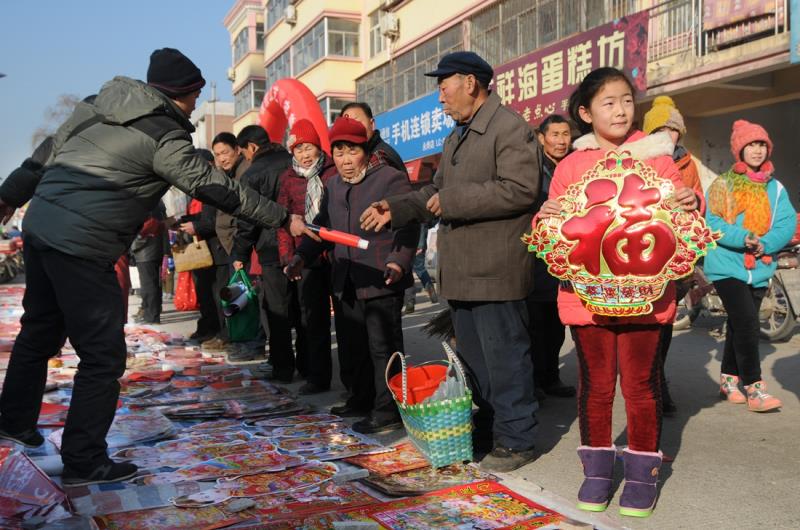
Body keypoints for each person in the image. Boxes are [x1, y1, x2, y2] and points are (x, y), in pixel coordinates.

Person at [0, 48, 309, 486]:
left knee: (39, 331)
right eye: (196, 96)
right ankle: (84, 460)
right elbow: (214, 185)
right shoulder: (164, 134)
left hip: (42, 228)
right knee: (103, 355)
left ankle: (14, 423)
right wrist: (282, 216)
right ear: (181, 94)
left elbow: (43, 156)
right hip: (84, 244)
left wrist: (8, 194)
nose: (198, 105)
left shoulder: (93, 107)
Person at [360, 51, 541, 472]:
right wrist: (396, 208)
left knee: (506, 360)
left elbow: (520, 189)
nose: (439, 96)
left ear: (471, 84)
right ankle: (484, 430)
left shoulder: (508, 127)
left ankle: (517, 439)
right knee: (473, 364)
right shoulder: (457, 136)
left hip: (496, 270)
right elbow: (434, 195)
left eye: (444, 86)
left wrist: (454, 201)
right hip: (461, 273)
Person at [538, 67, 701, 517]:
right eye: (608, 102)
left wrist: (689, 202)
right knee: (594, 386)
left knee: (641, 387)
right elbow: (550, 231)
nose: (621, 109)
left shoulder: (658, 159)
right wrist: (547, 215)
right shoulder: (571, 166)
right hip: (587, 298)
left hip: (647, 297)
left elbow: (685, 219)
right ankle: (595, 470)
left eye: (627, 99)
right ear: (586, 113)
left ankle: (641, 474)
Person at [286, 117, 417, 434]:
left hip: (380, 276)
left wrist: (399, 260)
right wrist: (301, 257)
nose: (345, 160)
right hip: (344, 278)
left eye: (352, 151)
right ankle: (360, 398)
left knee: (383, 348)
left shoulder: (389, 179)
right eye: (339, 152)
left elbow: (409, 223)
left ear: (365, 149)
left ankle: (389, 409)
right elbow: (319, 226)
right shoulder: (333, 185)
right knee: (352, 345)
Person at [706, 120, 796, 412]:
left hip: (760, 265)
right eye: (751, 145)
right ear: (739, 150)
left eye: (761, 145)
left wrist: (765, 244)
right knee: (746, 321)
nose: (756, 151)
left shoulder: (777, 188)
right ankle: (754, 387)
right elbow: (713, 222)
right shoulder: (723, 184)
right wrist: (744, 238)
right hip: (726, 263)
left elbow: (785, 223)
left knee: (738, 323)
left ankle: (729, 379)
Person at [642, 95, 705, 416]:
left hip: (675, 257)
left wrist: (692, 202)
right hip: (644, 254)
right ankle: (645, 381)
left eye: (674, 128)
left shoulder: (688, 163)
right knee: (645, 323)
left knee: (664, 321)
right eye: (662, 128)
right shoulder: (639, 159)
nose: (669, 134)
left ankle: (657, 381)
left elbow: (698, 207)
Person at [276, 119, 338, 394]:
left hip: (335, 253)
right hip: (305, 255)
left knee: (347, 320)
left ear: (318, 147)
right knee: (313, 320)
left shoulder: (332, 171)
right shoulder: (287, 178)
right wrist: (289, 257)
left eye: (308, 146)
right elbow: (283, 221)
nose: (304, 153)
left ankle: (352, 380)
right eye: (298, 148)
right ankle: (317, 376)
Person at [180, 132, 251, 352]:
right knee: (215, 296)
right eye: (218, 154)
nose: (222, 158)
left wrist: (197, 226)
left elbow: (215, 219)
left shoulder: (230, 178)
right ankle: (221, 332)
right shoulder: (209, 183)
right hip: (219, 246)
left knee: (229, 296)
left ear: (237, 150)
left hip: (226, 246)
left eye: (225, 152)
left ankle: (230, 335)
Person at [231, 126, 294, 365]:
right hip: (300, 245)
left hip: (271, 249)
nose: (245, 157)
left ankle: (282, 366)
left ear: (252, 147)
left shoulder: (252, 173)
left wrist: (241, 252)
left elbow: (249, 219)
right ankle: (312, 371)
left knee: (277, 310)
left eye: (243, 151)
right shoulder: (292, 161)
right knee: (302, 309)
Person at [528, 114, 575, 400]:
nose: (561, 140)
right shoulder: (533, 168)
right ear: (542, 137)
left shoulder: (575, 165)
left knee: (557, 325)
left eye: (565, 134)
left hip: (567, 256)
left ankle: (550, 378)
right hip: (537, 256)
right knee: (536, 324)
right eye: (555, 134)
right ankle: (534, 380)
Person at [341, 102, 407, 175]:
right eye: (347, 126)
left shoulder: (380, 157)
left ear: (372, 124)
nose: (353, 129)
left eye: (357, 123)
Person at [131, 201, 167, 325]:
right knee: (154, 284)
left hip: (146, 251)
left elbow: (145, 229)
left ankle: (151, 316)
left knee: (149, 285)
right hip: (153, 249)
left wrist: (133, 245)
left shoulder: (146, 204)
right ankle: (151, 313)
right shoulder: (157, 203)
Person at [402, 223, 438, 314]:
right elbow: (427, 224)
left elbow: (421, 224)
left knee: (407, 271)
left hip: (410, 244)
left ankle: (410, 302)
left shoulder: (410, 210)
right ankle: (429, 287)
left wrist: (420, 245)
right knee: (420, 268)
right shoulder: (420, 210)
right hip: (419, 243)